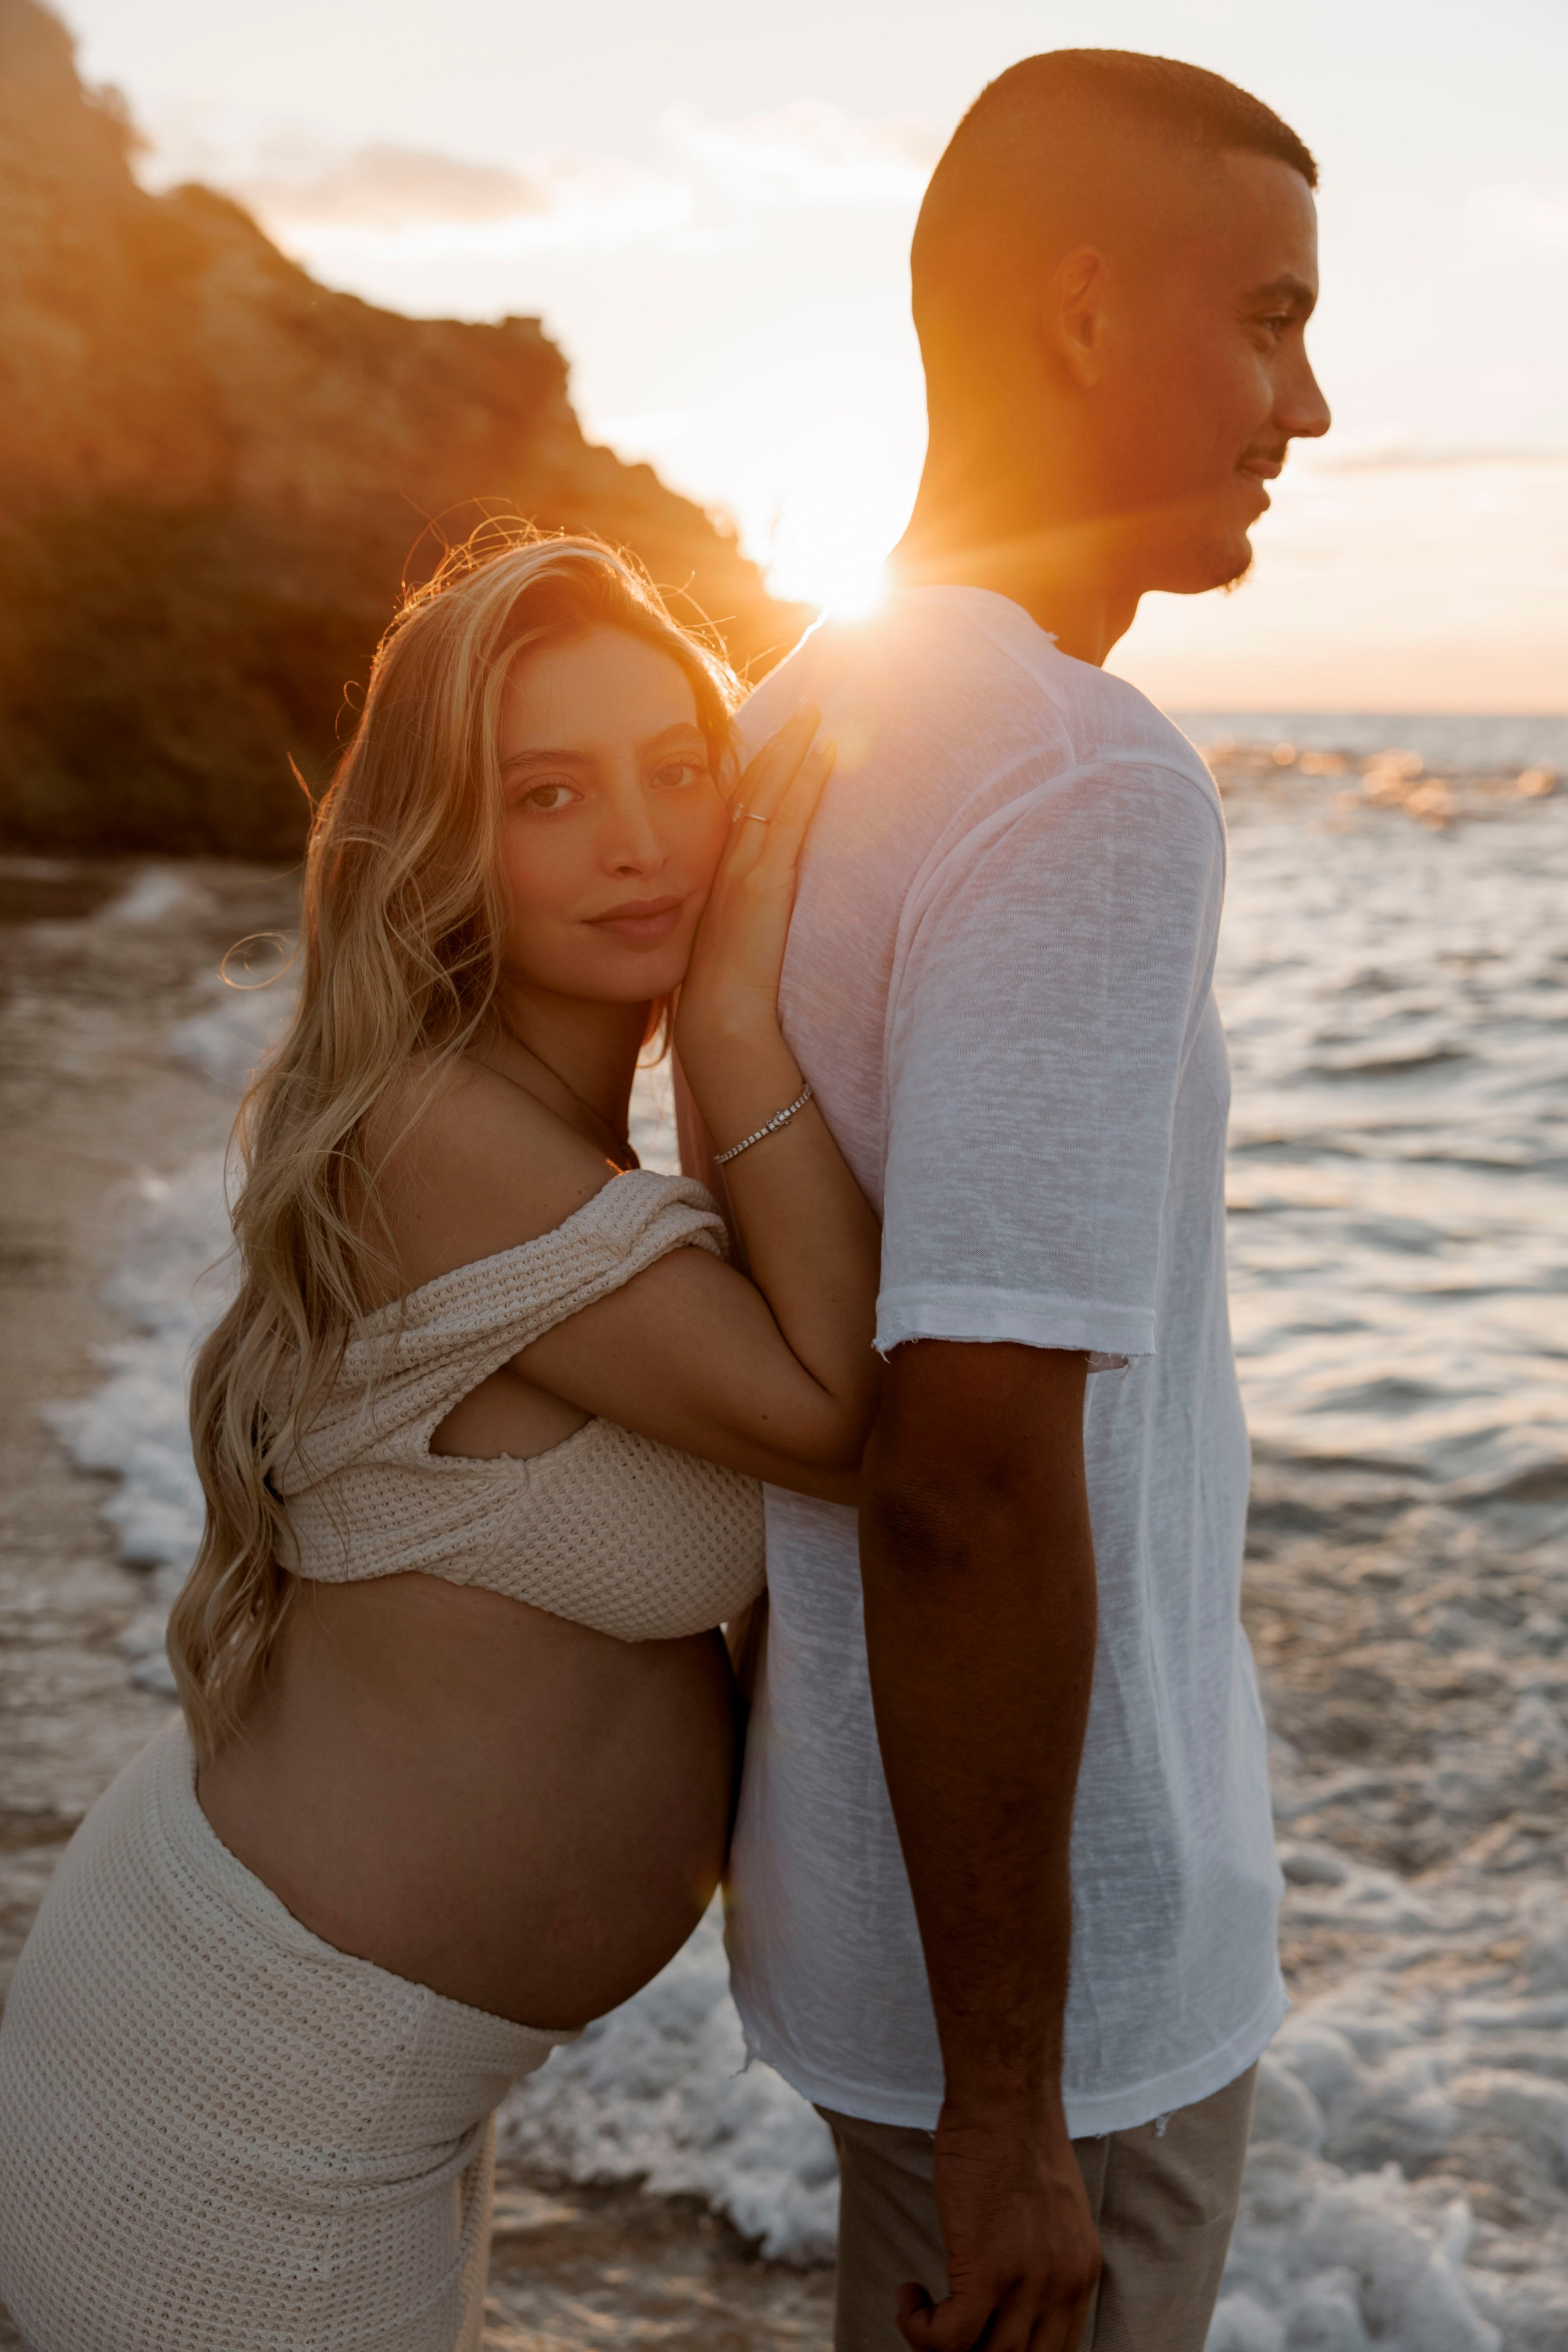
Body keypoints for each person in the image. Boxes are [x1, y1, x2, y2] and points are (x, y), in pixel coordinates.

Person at [0, 530, 881, 2352]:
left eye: (679, 769)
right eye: (548, 794)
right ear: (443, 845)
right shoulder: (433, 1136)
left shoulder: (547, 1150)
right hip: (238, 2101)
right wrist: (732, 1013)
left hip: (357, 2078)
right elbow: (846, 1416)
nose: (637, 840)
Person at [715, 49, 1332, 2352]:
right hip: (1051, 2021)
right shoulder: (1079, 775)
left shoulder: (801, 705)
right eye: (1267, 321)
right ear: (1082, 316)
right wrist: (1013, 2113)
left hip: (874, 1911)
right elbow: (964, 1478)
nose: (1308, 405)